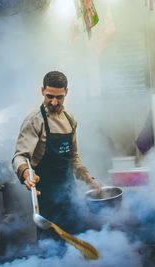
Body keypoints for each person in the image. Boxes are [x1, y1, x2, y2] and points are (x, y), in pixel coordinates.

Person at [12, 71, 101, 239]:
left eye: (59, 97)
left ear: (66, 92)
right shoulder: (34, 120)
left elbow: (74, 158)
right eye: (49, 96)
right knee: (51, 249)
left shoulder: (70, 119)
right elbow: (20, 156)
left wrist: (89, 179)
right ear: (42, 91)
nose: (54, 102)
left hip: (69, 196)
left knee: (75, 245)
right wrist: (26, 173)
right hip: (46, 199)